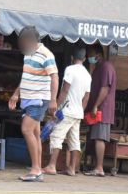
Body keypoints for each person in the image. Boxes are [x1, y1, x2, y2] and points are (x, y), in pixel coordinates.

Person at [8, 26, 59, 182]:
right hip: (28, 99)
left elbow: (55, 77)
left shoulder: (46, 54)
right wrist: (16, 94)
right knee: (35, 134)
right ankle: (37, 170)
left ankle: (36, 169)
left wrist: (53, 100)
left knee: (26, 129)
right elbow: (26, 76)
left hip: (39, 99)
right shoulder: (28, 54)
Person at [43, 47, 91, 176]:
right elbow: (86, 97)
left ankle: (52, 166)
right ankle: (71, 168)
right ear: (85, 59)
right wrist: (81, 110)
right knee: (74, 141)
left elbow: (64, 90)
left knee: (56, 136)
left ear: (71, 58)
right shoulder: (87, 75)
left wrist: (56, 107)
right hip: (77, 113)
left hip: (66, 111)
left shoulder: (70, 70)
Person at [84, 43, 117, 177]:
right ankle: (93, 165)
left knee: (99, 138)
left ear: (98, 55)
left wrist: (96, 105)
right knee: (94, 137)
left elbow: (105, 89)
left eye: (91, 55)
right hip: (95, 109)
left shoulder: (106, 67)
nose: (89, 57)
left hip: (102, 110)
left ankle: (99, 168)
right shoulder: (98, 68)